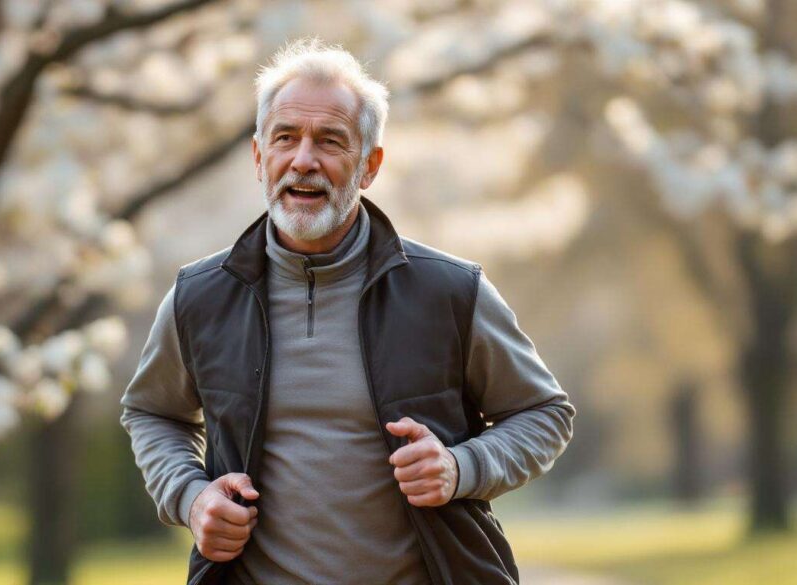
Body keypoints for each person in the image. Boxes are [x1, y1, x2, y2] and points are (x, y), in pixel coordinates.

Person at [121, 38, 575, 585]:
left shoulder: (451, 292)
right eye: (285, 138)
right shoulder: (200, 297)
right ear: (259, 156)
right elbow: (153, 412)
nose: (303, 160)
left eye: (330, 141)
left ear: (369, 165)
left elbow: (545, 414)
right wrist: (190, 498)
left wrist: (460, 468)